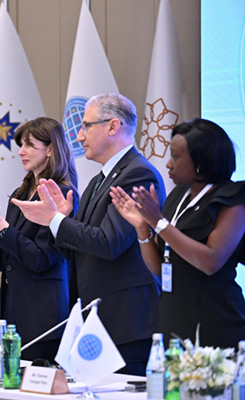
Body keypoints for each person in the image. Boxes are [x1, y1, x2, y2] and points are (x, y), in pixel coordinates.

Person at [12, 93, 165, 375]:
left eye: (86, 126)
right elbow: (77, 251)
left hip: (126, 321)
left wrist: (56, 220)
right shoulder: (98, 180)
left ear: (113, 126)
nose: (79, 136)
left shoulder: (137, 174)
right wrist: (60, 220)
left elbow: (109, 243)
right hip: (96, 320)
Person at [110, 118, 245, 348]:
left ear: (200, 161)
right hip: (173, 319)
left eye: (175, 156)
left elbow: (211, 262)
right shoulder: (177, 196)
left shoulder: (232, 198)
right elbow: (159, 267)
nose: (168, 164)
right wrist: (142, 227)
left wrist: (158, 222)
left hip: (215, 321)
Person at [0, 117, 79, 362]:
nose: (21, 151)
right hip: (11, 312)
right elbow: (5, 262)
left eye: (29, 145)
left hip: (42, 317)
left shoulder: (61, 195)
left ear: (50, 149)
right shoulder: (20, 193)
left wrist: (1, 224)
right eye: (21, 145)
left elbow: (41, 259)